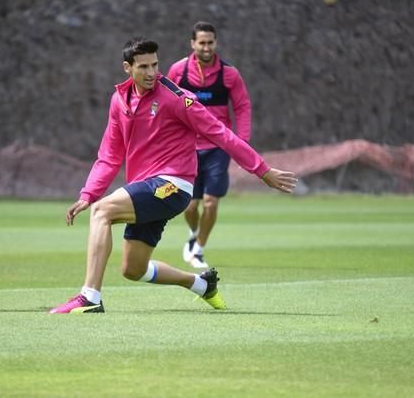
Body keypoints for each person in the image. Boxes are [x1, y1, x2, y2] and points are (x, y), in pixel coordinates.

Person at [48, 37, 296, 314]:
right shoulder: (119, 100)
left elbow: (221, 133)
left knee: (102, 211)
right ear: (127, 68)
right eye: (143, 67)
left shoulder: (178, 99)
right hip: (145, 187)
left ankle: (90, 297)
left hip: (172, 185)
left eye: (155, 64)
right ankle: (201, 285)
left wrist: (262, 170)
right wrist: (88, 193)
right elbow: (110, 154)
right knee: (133, 269)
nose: (152, 72)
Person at [167, 21, 252, 268]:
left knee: (211, 202)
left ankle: (200, 249)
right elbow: (166, 103)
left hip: (218, 147)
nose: (206, 47)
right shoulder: (178, 72)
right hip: (186, 148)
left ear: (216, 43)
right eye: (201, 43)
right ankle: (193, 235)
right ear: (192, 43)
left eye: (210, 42)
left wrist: (241, 143)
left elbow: (242, 107)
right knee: (189, 205)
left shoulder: (230, 74)